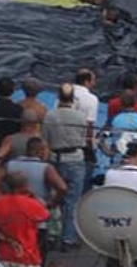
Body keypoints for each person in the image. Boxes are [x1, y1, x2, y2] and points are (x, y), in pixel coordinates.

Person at [42, 84, 88, 251]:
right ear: (73, 98)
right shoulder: (80, 116)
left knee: (53, 197)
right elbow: (83, 138)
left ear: (58, 97)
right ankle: (69, 238)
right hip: (75, 157)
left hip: (55, 158)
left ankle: (51, 234)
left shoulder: (50, 116)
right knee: (72, 200)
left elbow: (45, 139)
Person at [0, 172, 51, 267]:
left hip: (4, 255)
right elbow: (46, 215)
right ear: (24, 186)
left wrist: (9, 240)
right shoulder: (31, 203)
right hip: (28, 255)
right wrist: (34, 196)